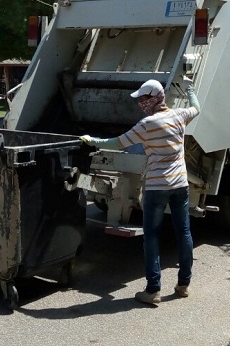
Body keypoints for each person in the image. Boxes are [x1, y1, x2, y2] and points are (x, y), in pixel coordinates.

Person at [81, 77, 200, 305]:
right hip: (180, 185)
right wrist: (189, 88)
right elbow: (196, 107)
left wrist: (91, 140)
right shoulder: (178, 115)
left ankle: (153, 290)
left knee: (152, 237)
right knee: (183, 232)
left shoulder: (146, 125)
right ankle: (183, 285)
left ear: (155, 99)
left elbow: (117, 143)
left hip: (157, 187)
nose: (140, 104)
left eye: (144, 99)